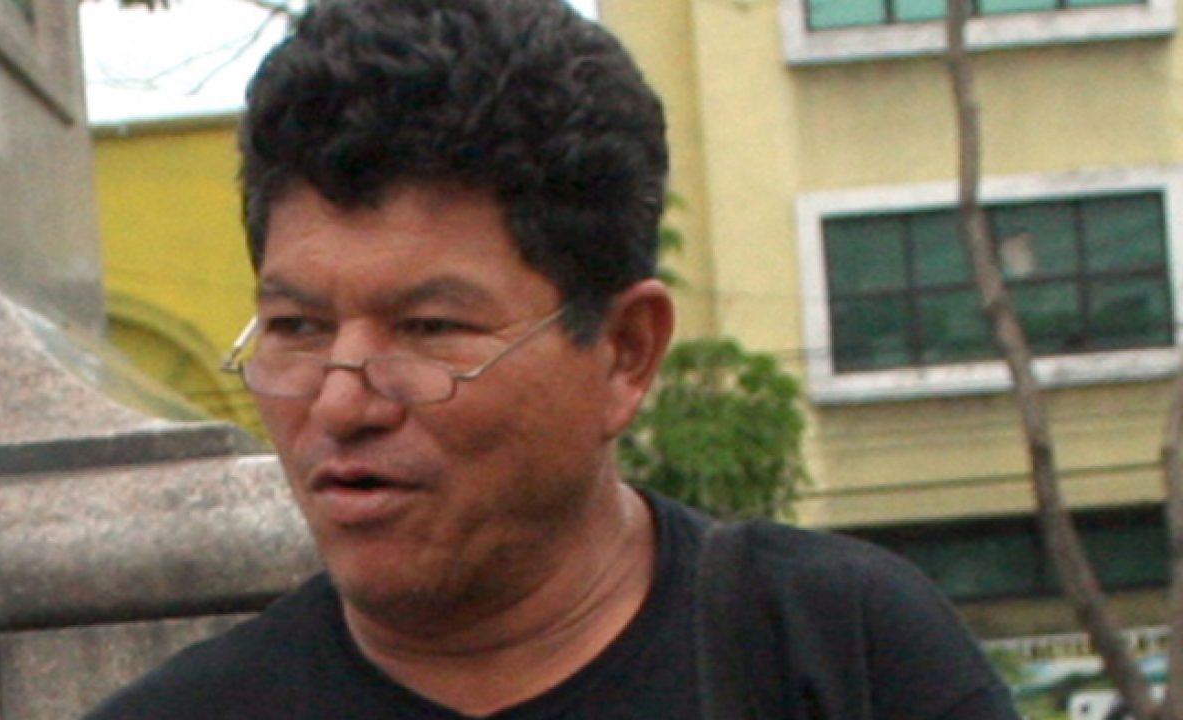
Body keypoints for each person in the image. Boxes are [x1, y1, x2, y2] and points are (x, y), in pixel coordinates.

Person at [86, 0, 1019, 717]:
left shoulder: (844, 656)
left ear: (624, 353)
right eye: (297, 327)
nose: (341, 404)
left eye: (429, 329)